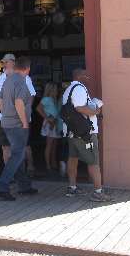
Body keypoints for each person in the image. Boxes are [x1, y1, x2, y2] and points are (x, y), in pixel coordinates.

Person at [61, 69, 112, 202]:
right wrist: (96, 110)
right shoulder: (79, 88)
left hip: (72, 132)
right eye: (87, 76)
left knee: (73, 158)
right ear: (80, 76)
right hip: (84, 133)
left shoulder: (68, 89)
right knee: (93, 161)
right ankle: (98, 192)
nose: (89, 78)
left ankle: (72, 188)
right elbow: (80, 108)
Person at [0, 56, 38, 201]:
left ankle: (24, 186)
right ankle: (2, 186)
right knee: (17, 156)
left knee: (16, 155)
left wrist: (5, 114)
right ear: (27, 69)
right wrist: (24, 122)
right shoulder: (21, 81)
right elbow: (19, 102)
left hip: (6, 122)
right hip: (17, 125)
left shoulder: (7, 80)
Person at [0, 54, 15, 164]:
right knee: (5, 147)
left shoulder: (23, 77)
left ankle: (19, 174)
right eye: (3, 62)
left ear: (13, 62)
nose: (4, 65)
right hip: (3, 118)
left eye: (6, 62)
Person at [37, 82, 62, 175]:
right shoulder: (46, 99)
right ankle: (48, 165)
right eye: (55, 89)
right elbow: (38, 108)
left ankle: (53, 163)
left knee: (54, 145)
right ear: (51, 90)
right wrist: (47, 118)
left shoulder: (54, 99)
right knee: (49, 145)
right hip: (49, 124)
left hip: (55, 123)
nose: (57, 91)